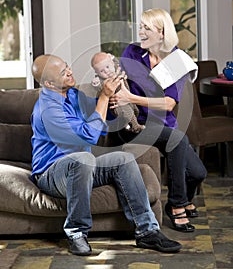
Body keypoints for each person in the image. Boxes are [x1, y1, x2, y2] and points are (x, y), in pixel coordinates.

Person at [30, 54, 182, 256]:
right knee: (83, 158)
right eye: (62, 72)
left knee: (123, 158)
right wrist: (103, 97)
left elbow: (101, 114)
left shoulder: (72, 95)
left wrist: (112, 97)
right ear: (49, 83)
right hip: (51, 174)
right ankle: (77, 233)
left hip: (84, 168)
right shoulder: (48, 110)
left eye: (67, 66)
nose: (70, 71)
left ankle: (148, 232)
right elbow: (88, 135)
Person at [110, 8, 207, 233]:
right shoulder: (132, 52)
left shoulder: (174, 60)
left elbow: (168, 104)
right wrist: (119, 93)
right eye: (140, 27)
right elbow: (118, 82)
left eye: (147, 28)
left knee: (198, 173)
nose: (141, 32)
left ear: (162, 33)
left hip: (163, 124)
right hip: (135, 124)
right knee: (178, 140)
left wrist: (131, 96)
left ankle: (180, 200)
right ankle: (177, 205)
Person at [91, 51, 145, 133]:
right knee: (127, 112)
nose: (107, 71)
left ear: (112, 63)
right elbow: (100, 90)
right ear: (97, 73)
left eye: (107, 67)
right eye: (102, 71)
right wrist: (96, 84)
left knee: (135, 110)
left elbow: (116, 62)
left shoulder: (116, 69)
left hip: (127, 97)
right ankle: (135, 126)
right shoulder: (103, 80)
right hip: (117, 103)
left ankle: (128, 125)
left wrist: (112, 57)